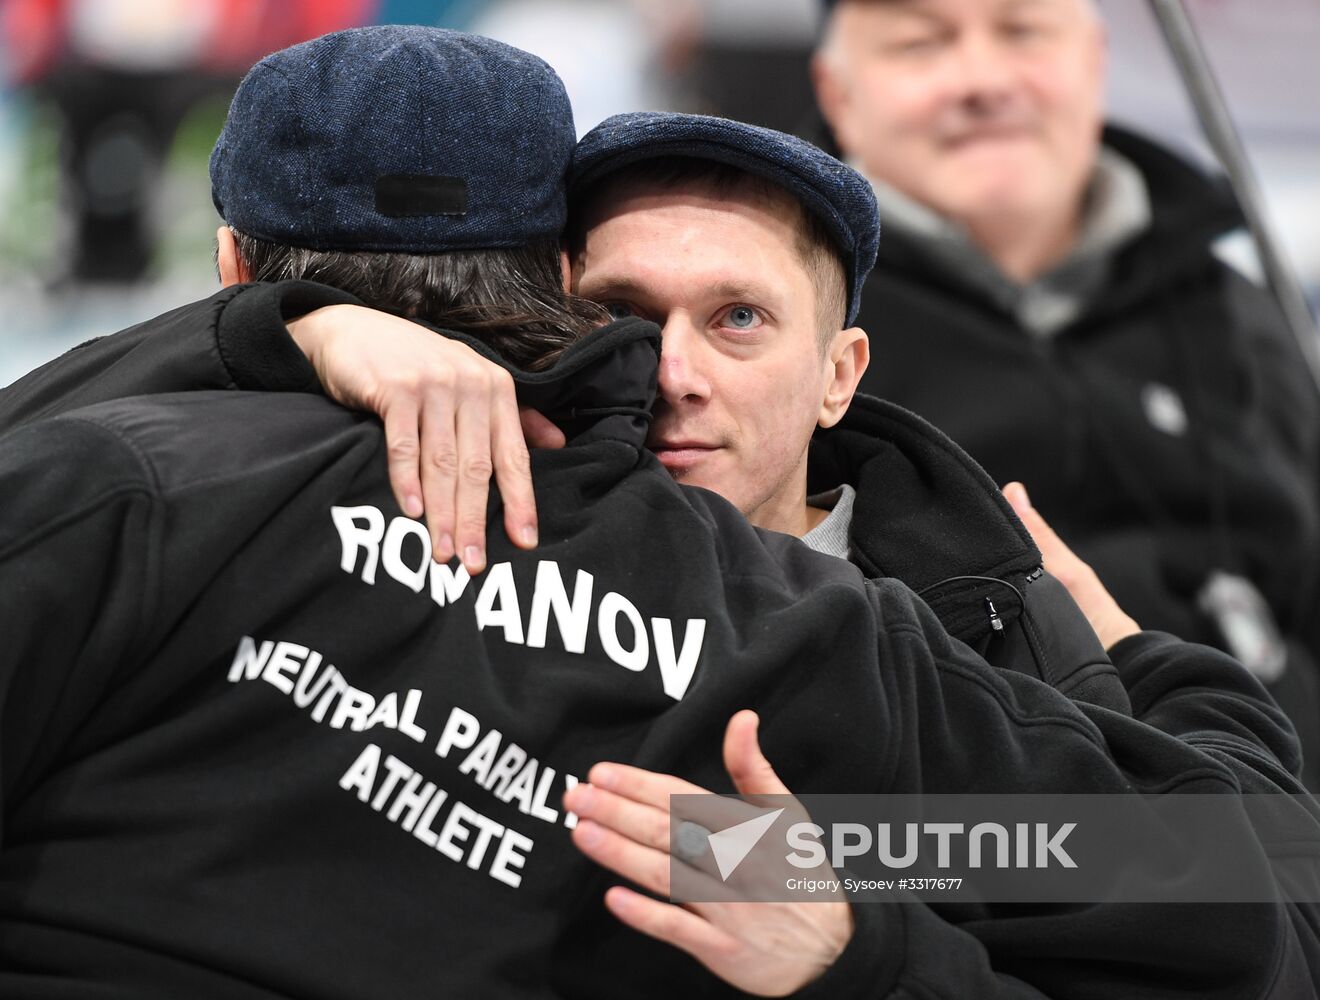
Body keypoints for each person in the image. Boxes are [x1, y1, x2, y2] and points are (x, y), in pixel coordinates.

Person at [3, 49, 1318, 989]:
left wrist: (860, 937)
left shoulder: (882, 635)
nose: (673, 368)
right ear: (552, 302)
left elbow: (1253, 896)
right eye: (625, 317)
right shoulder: (788, 632)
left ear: (841, 372)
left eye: (738, 318)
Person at [810, 0, 1320, 780]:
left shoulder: (1231, 309)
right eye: (920, 43)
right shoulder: (777, 325)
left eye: (1023, 31)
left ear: (1095, 60)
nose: (982, 78)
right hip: (984, 853)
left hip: (1277, 825)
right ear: (838, 94)